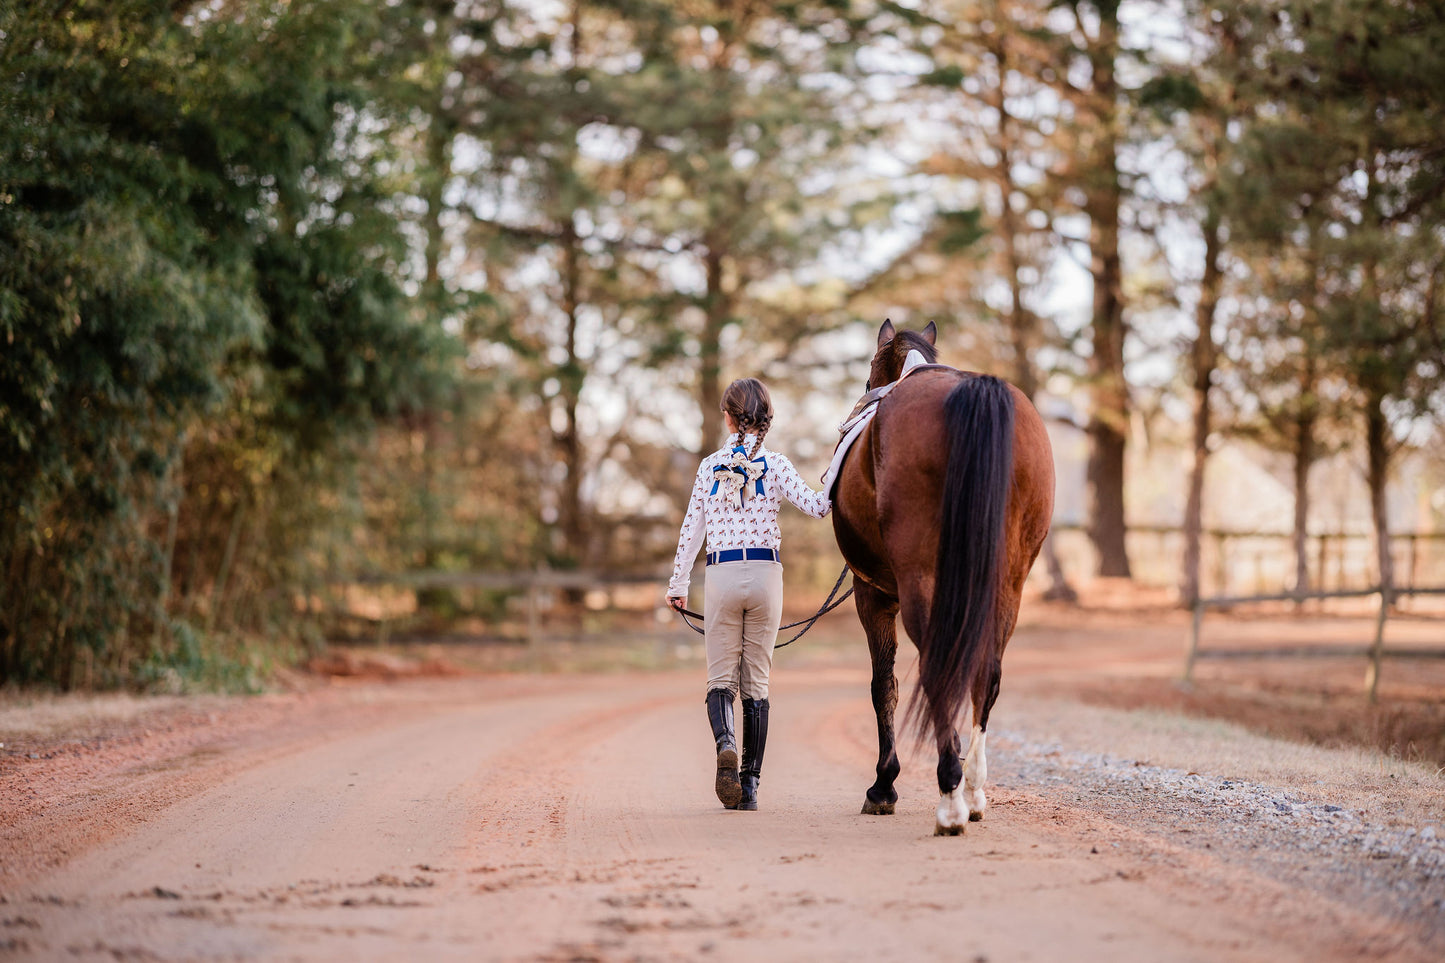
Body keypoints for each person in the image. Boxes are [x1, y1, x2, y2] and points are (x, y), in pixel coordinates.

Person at [666, 378, 831, 811]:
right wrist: (836, 473)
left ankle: (726, 741)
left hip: (722, 573)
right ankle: (751, 786)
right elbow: (818, 506)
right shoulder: (776, 465)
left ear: (727, 416)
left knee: (721, 679)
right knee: (756, 683)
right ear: (765, 419)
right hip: (765, 575)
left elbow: (691, 532)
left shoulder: (708, 467)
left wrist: (678, 586)